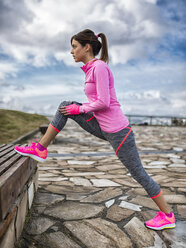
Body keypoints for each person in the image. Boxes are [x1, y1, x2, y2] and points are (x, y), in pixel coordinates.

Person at [14, 29, 176, 231]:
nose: (71, 51)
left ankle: (167, 215)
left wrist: (79, 109)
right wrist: (76, 109)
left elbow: (104, 102)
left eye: (74, 47)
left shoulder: (99, 67)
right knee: (65, 106)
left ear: (86, 47)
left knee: (139, 174)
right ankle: (41, 148)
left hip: (119, 132)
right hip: (102, 126)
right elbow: (95, 103)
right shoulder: (91, 69)